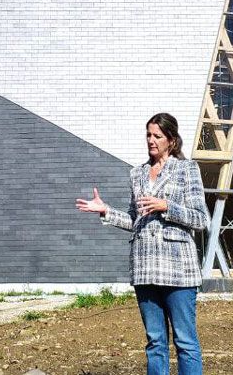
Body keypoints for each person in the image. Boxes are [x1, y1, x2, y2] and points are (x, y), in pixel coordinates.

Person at [76, 112, 208, 375]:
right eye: (148, 134)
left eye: (157, 136)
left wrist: (166, 206)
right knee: (155, 342)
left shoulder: (187, 169)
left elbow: (201, 218)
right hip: (145, 268)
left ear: (171, 140)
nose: (151, 140)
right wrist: (105, 211)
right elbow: (134, 220)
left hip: (178, 271)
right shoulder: (136, 174)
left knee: (185, 341)